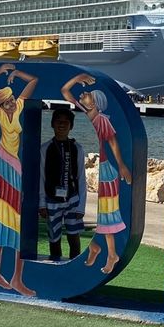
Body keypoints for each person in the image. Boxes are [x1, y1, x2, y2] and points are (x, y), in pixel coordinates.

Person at [62, 74, 133, 273]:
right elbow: (65, 92)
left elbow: (113, 143)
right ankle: (98, 247)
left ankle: (110, 253)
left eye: (88, 95)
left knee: (107, 212)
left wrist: (122, 166)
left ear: (94, 104)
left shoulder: (101, 120)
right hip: (104, 167)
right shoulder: (89, 113)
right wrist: (76, 78)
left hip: (108, 170)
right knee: (105, 211)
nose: (83, 94)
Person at [0, 63, 38, 295]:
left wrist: (17, 73)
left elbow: (34, 82)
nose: (9, 104)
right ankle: (0, 274)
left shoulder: (19, 106)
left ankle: (11, 276)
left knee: (14, 214)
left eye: (10, 100)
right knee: (6, 211)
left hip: (14, 162)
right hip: (2, 159)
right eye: (4, 102)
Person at [38, 108, 86, 262]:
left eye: (66, 122)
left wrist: (81, 206)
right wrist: (42, 203)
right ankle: (55, 264)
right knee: (54, 237)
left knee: (74, 236)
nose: (62, 125)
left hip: (72, 199)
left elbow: (81, 178)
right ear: (52, 124)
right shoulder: (45, 148)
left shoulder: (77, 148)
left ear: (71, 126)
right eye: (59, 121)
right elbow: (41, 177)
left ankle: (75, 268)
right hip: (52, 201)